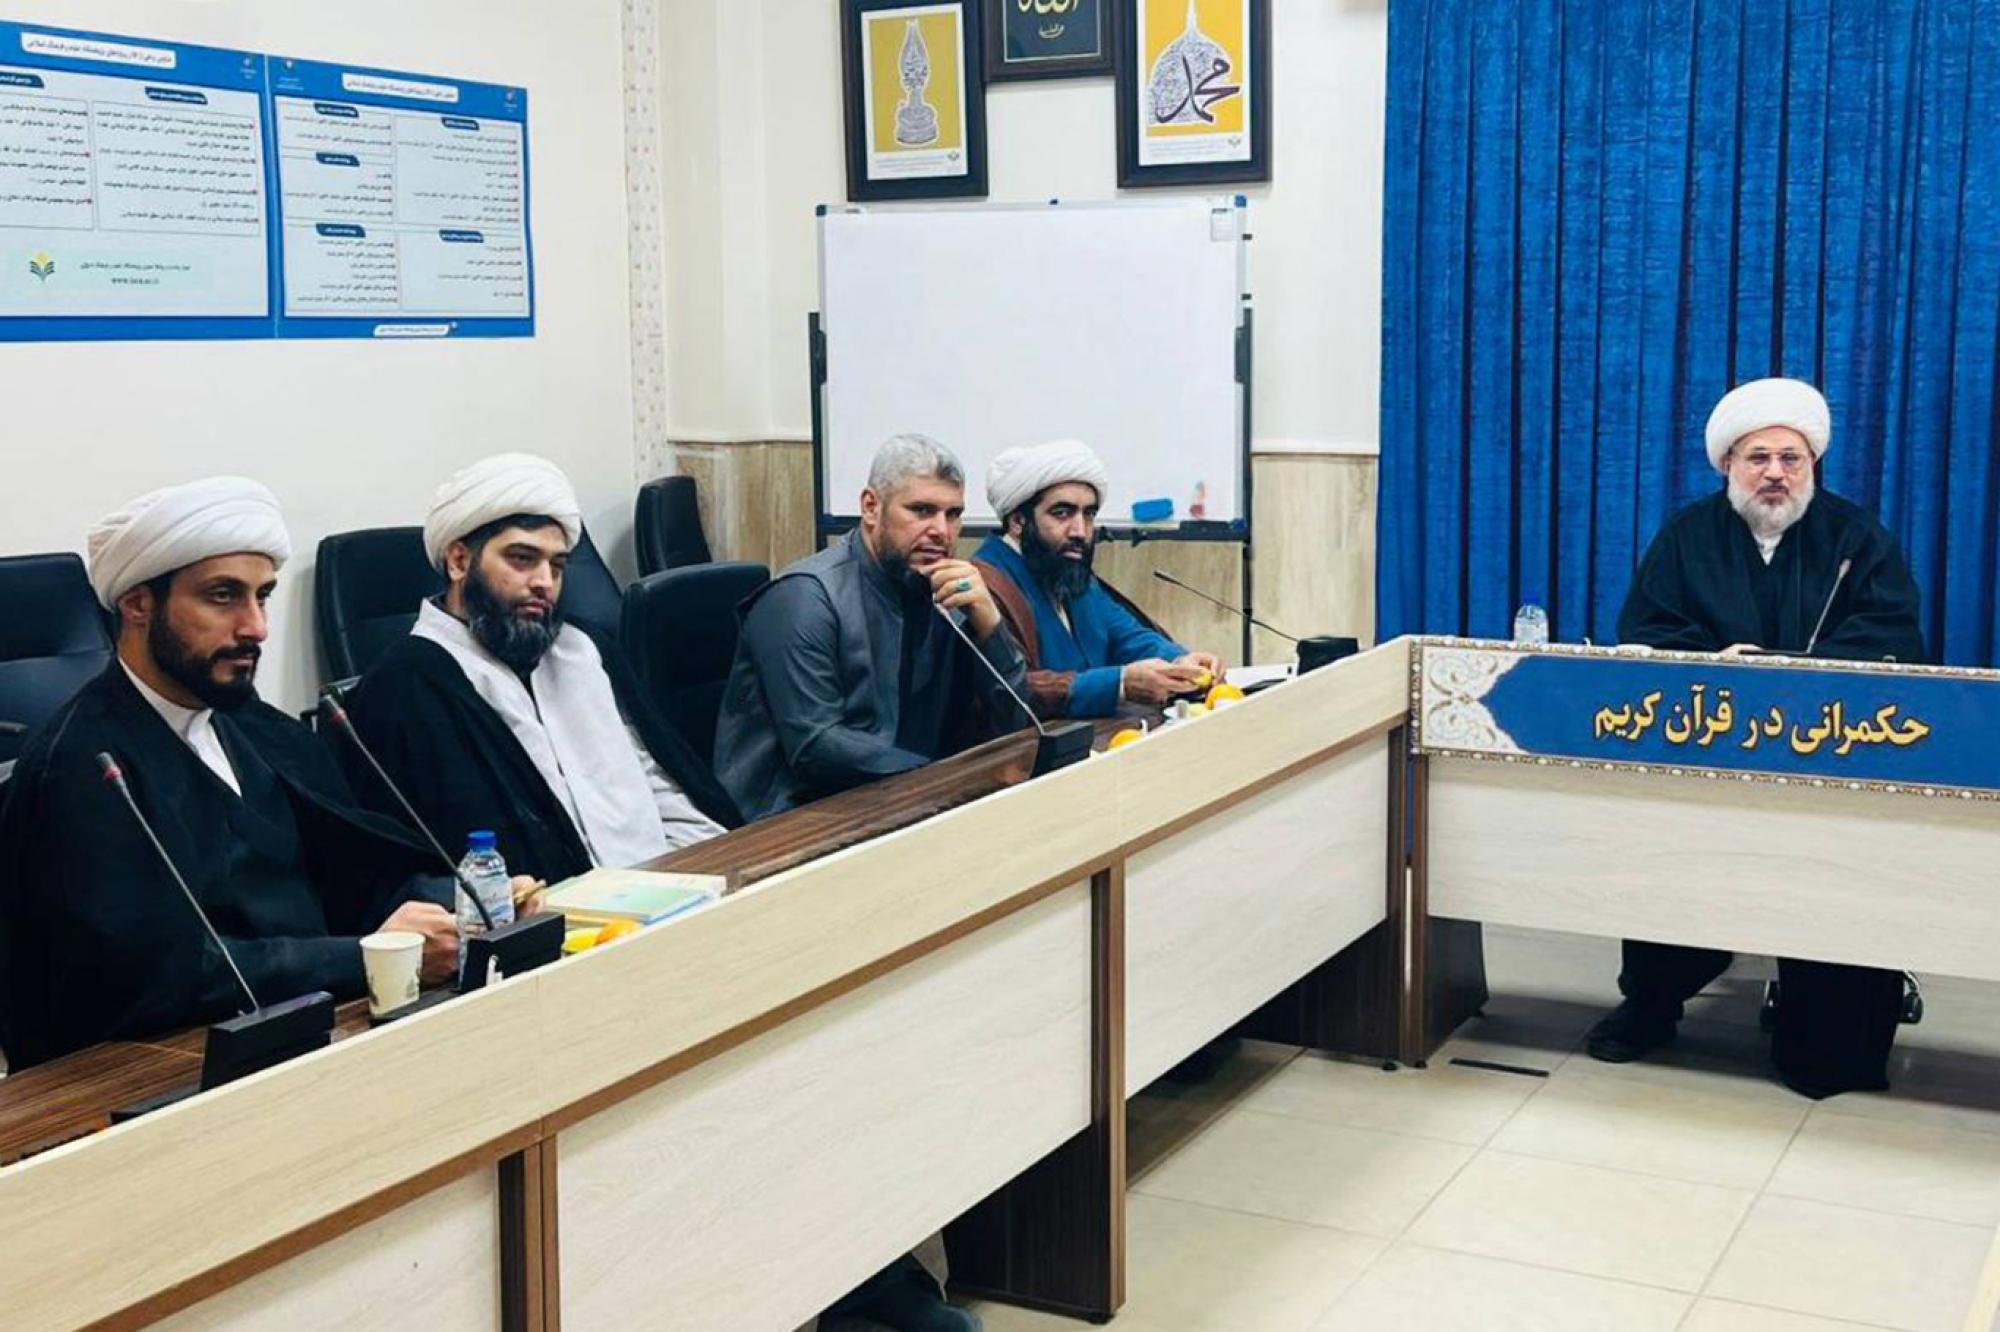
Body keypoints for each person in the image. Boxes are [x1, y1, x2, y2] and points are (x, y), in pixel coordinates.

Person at [0, 478, 458, 1071]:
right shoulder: (82, 767)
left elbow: (353, 871)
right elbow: (156, 975)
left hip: (318, 1035)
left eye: (262, 596)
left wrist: (455, 907)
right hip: (158, 1076)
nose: (256, 627)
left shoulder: (256, 727)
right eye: (223, 597)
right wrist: (369, 956)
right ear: (137, 605)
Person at [1589, 377, 1926, 1098]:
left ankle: (1824, 1037)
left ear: (1812, 465)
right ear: (1728, 466)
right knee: (1670, 858)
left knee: (1824, 1046)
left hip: (1828, 761)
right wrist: (1718, 666)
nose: (1775, 472)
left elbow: (1894, 640)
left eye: (1790, 458)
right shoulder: (1687, 537)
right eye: (1758, 458)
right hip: (1705, 757)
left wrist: (1793, 674)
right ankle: (1652, 1004)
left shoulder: (1857, 539)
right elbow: (1646, 631)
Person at [337, 454, 741, 884]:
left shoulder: (583, 650)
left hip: (667, 889)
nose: (544, 582)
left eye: (557, 566)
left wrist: (716, 872)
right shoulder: (406, 687)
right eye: (522, 559)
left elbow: (660, 784)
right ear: (458, 561)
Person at [715, 434, 1031, 822]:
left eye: (953, 514)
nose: (942, 531)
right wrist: (937, 779)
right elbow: (815, 745)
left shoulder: (941, 591)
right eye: (922, 510)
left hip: (909, 801)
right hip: (797, 817)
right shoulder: (804, 598)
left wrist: (990, 625)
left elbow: (1014, 719)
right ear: (870, 507)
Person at [972, 438, 1223, 717]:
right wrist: (1120, 684)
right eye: (1062, 513)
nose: (1080, 531)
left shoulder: (1065, 571)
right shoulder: (986, 586)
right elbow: (1016, 688)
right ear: (1018, 521)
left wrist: (1179, 661)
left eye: (1089, 514)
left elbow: (1126, 636)